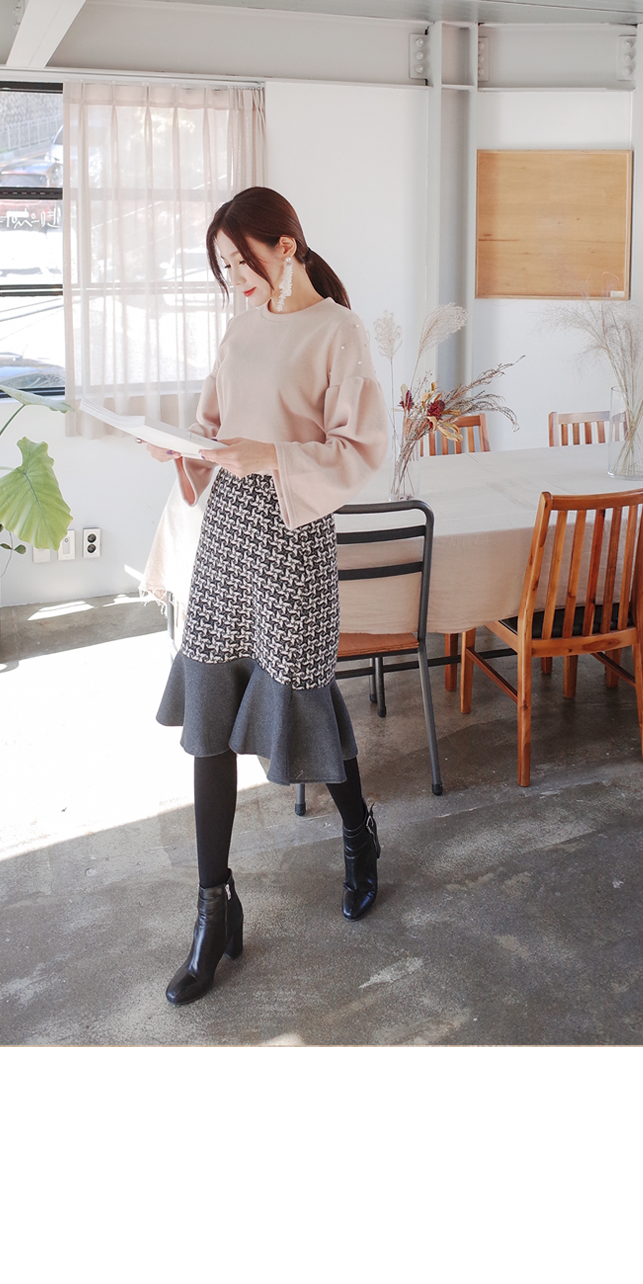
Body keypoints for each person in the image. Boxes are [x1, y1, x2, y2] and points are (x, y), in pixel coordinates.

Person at [148, 187, 390, 1006]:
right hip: (227, 527)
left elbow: (359, 449)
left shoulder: (338, 331)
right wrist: (181, 450)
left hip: (294, 532)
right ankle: (213, 907)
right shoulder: (241, 326)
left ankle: (357, 832)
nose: (232, 279)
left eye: (238, 261)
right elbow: (216, 431)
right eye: (221, 266)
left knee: (304, 696)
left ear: (284, 245)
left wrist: (273, 457)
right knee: (210, 710)